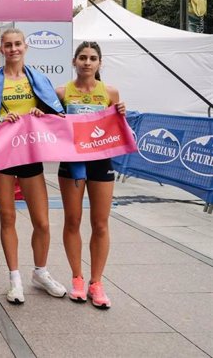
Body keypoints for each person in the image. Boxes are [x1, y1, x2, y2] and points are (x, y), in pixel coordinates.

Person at [0, 28, 66, 304]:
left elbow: (57, 118)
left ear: (25, 46)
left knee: (41, 221)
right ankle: (15, 279)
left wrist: (41, 114)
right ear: (2, 49)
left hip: (30, 155)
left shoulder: (38, 79)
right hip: (3, 156)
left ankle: (40, 273)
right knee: (7, 218)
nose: (13, 49)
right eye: (8, 45)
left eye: (17, 44)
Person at [56, 41, 126, 309]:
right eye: (82, 57)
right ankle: (77, 278)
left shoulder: (110, 91)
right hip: (72, 162)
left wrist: (122, 113)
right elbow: (49, 124)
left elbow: (118, 127)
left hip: (100, 161)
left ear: (99, 63)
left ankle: (96, 283)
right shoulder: (62, 92)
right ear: (74, 61)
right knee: (72, 221)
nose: (87, 62)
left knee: (100, 223)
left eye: (92, 58)